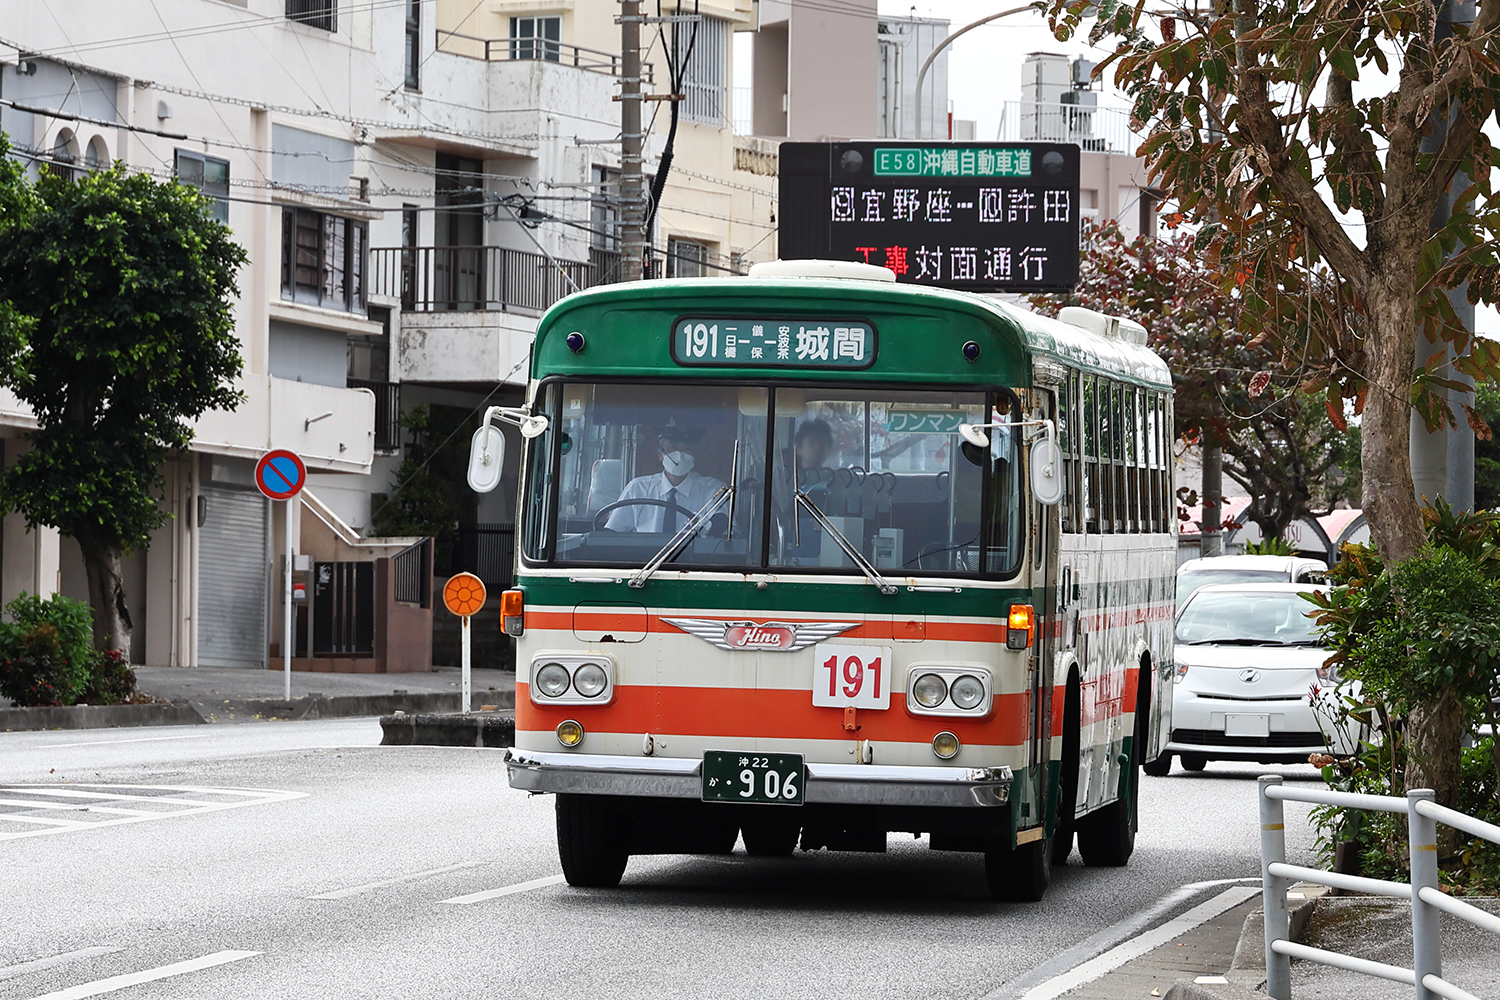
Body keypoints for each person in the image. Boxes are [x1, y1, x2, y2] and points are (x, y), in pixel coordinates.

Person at [605, 427, 728, 533]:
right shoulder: (637, 489)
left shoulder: (713, 489)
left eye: (686, 449)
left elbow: (720, 521)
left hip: (693, 560)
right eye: (673, 448)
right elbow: (612, 533)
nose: (680, 455)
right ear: (660, 454)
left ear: (694, 454)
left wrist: (706, 526)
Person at [793, 419, 834, 488]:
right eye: (812, 442)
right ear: (798, 449)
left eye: (822, 443)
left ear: (829, 451)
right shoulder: (790, 479)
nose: (817, 447)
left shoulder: (834, 480)